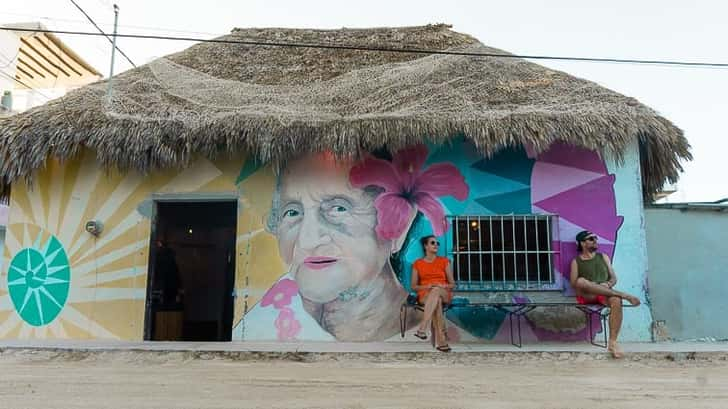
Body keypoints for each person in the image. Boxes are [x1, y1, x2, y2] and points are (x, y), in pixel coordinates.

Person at [570, 230, 640, 358]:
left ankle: (613, 342)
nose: (595, 241)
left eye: (595, 238)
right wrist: (593, 286)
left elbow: (613, 278)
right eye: (591, 239)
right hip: (587, 295)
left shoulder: (603, 257)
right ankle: (625, 295)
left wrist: (607, 284)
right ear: (582, 243)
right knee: (581, 281)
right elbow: (574, 284)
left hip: (604, 294)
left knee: (616, 301)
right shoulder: (576, 261)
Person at [411, 235, 456, 352]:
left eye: (437, 243)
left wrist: (443, 286)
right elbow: (414, 286)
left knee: (436, 292)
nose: (436, 245)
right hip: (425, 294)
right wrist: (427, 286)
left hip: (443, 292)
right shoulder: (418, 264)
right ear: (425, 246)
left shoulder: (444, 261)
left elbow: (452, 284)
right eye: (432, 243)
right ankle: (442, 342)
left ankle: (422, 327)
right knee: (437, 303)